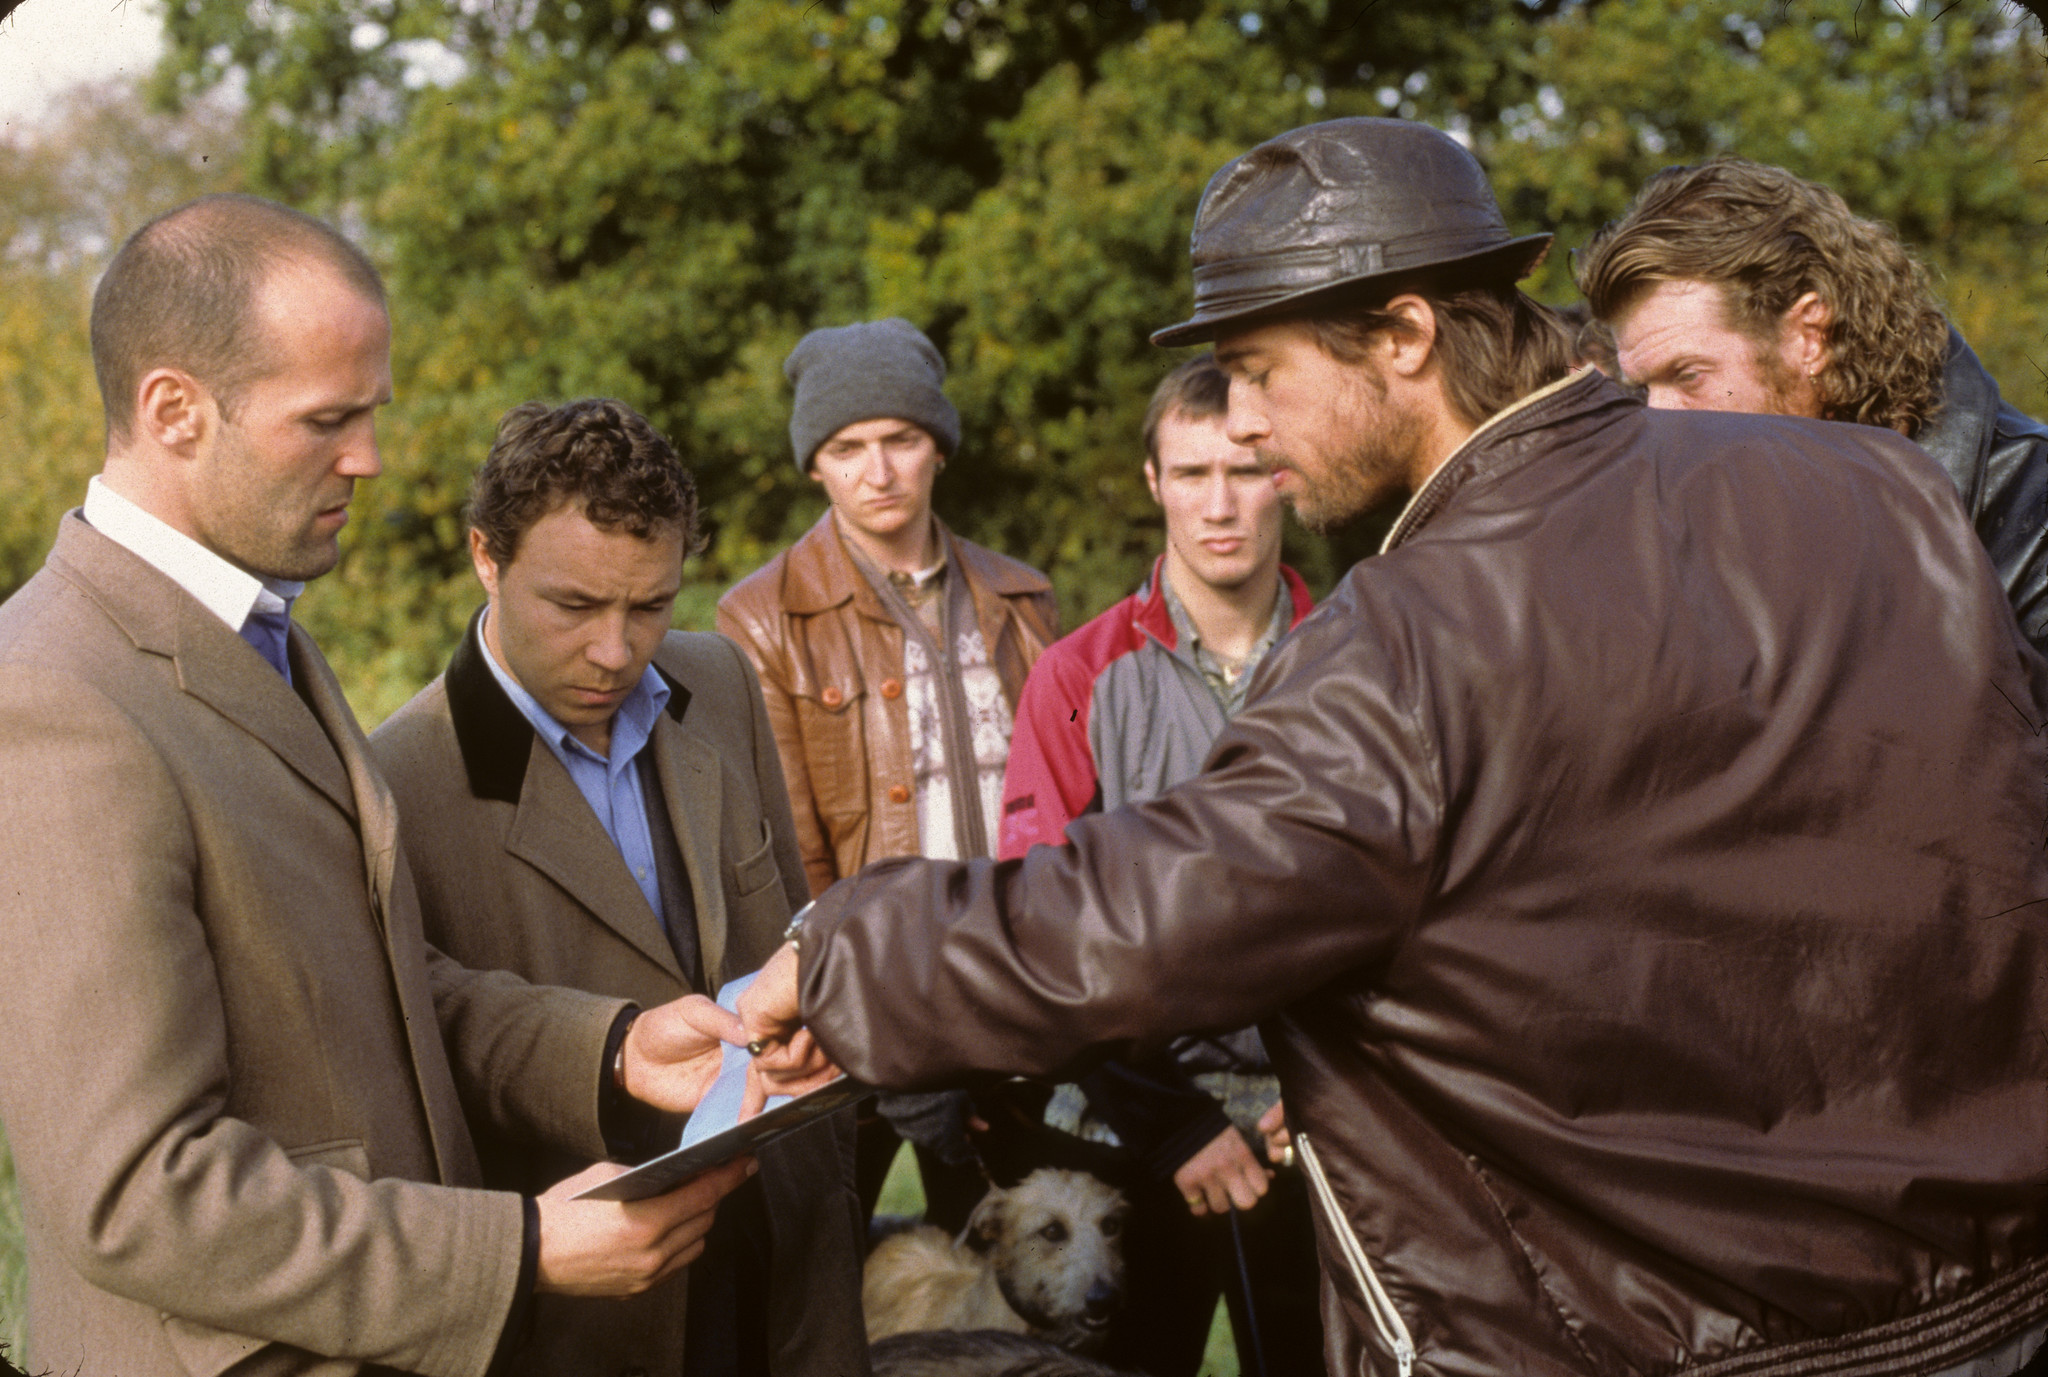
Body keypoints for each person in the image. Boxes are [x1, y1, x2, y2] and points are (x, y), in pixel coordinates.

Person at [736, 119, 2048, 1377]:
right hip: (1986, 1313)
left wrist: (838, 949)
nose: (1242, 426)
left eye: (1262, 371)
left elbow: (1150, 904)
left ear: (1406, 335)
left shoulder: (1406, 639)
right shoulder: (1884, 488)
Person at [0, 194, 750, 1377]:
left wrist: (610, 1051)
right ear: (172, 411)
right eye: (327, 420)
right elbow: (140, 1193)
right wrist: (518, 1248)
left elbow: (364, 987)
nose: (371, 457)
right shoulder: (53, 699)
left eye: (372, 414)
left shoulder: (259, 632)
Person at [371, 399, 867, 1377]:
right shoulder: (391, 783)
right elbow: (426, 1058)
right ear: (485, 556)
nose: (615, 650)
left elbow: (782, 923)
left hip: (789, 1258)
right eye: (573, 606)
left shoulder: (718, 676)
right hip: (599, 1313)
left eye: (650, 606)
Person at [991, 353, 1322, 1375]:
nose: (1217, 505)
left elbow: (1423, 906)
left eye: (1244, 469)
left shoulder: (1366, 653)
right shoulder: (1076, 676)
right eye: (1189, 474)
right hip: (1126, 1122)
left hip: (1313, 1125)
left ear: (1289, 476)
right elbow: (1039, 929)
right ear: (1152, 483)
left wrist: (1329, 1090)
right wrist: (1168, 1122)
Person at [717, 318, 1059, 1231]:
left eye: (902, 440)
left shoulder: (1023, 599)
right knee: (827, 1280)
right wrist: (863, 1014)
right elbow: (789, 848)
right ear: (814, 465)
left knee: (1011, 1283)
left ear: (937, 448)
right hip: (857, 1002)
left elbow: (1062, 806)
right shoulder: (762, 616)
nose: (879, 470)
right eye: (848, 447)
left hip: (1013, 989)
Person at [1574, 155, 2048, 651]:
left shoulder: (2030, 515)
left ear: (1809, 334)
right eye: (1642, 387)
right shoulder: (1689, 516)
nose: (1656, 418)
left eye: (1688, 374)